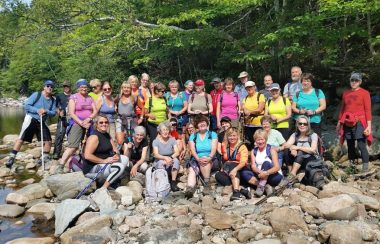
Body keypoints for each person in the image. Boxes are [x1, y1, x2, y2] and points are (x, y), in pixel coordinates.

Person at [6, 80, 57, 168]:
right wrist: (37, 110)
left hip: (42, 121)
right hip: (31, 118)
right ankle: (12, 157)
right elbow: (27, 106)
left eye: (51, 87)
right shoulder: (36, 95)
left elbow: (53, 113)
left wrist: (46, 111)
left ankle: (44, 158)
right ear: (44, 87)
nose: (50, 88)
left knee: (48, 140)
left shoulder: (53, 100)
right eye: (48, 86)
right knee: (22, 138)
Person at [56, 79, 97, 173]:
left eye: (86, 87)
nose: (84, 89)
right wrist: (82, 122)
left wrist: (89, 118)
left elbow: (95, 111)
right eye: (82, 87)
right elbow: (71, 113)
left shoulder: (90, 98)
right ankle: (61, 165)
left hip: (89, 123)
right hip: (76, 123)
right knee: (73, 146)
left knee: (88, 145)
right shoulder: (73, 97)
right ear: (78, 88)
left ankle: (85, 164)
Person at [337, 72, 372, 172]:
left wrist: (368, 126)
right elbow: (343, 109)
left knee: (361, 145)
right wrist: (339, 122)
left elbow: (368, 110)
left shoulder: (365, 93)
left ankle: (365, 168)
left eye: (356, 80)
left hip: (360, 121)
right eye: (352, 80)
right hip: (347, 121)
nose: (354, 82)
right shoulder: (346, 93)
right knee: (350, 145)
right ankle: (351, 167)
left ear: (360, 82)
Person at [84, 114, 128, 189]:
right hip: (93, 167)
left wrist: (116, 155)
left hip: (106, 163)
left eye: (106, 122)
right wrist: (104, 161)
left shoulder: (107, 135)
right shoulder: (94, 137)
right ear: (96, 124)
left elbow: (115, 150)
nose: (104, 124)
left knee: (125, 159)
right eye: (101, 123)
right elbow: (87, 155)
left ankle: (112, 180)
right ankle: (104, 188)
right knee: (119, 167)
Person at [241, 129, 283, 197]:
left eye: (262, 139)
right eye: (258, 140)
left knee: (266, 163)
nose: (260, 142)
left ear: (265, 140)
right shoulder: (253, 151)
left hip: (273, 175)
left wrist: (266, 173)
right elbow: (253, 166)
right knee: (244, 172)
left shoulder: (271, 150)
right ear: (255, 141)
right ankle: (264, 186)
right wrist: (261, 172)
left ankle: (260, 187)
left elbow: (277, 167)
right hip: (260, 174)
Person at [185, 115, 218, 198]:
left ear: (207, 123)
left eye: (203, 122)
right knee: (192, 169)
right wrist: (198, 159)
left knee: (205, 162)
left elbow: (214, 148)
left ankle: (207, 185)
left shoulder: (212, 134)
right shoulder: (193, 136)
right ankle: (190, 188)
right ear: (197, 125)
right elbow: (192, 150)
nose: (202, 124)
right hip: (197, 158)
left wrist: (209, 158)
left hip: (211, 158)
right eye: (199, 123)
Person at [215, 128, 250, 201]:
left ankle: (236, 192)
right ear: (227, 137)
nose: (232, 138)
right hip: (229, 169)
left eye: (234, 136)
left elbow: (243, 162)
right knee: (218, 175)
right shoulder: (225, 145)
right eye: (230, 136)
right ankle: (240, 188)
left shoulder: (242, 147)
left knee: (232, 165)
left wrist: (235, 170)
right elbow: (225, 158)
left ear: (237, 136)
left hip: (241, 169)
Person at [152, 122, 180, 192]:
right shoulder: (156, 141)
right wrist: (165, 158)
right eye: (163, 130)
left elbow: (177, 152)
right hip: (159, 160)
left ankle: (173, 182)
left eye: (167, 130)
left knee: (176, 161)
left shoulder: (172, 140)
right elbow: (156, 154)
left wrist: (170, 158)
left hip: (170, 158)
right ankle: (164, 183)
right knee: (161, 162)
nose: (165, 132)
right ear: (160, 132)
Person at [241, 81, 265, 149]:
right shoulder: (245, 98)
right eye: (247, 88)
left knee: (259, 141)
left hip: (258, 124)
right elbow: (243, 107)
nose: (249, 89)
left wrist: (249, 112)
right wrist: (245, 109)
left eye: (250, 87)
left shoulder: (260, 95)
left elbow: (260, 109)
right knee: (251, 143)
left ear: (254, 87)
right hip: (248, 124)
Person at [53, 80, 72, 159]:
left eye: (67, 86)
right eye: (64, 86)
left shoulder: (74, 96)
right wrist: (59, 112)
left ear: (70, 87)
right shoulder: (59, 96)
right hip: (62, 119)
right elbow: (55, 106)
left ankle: (73, 153)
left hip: (72, 119)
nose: (66, 88)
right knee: (59, 135)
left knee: (72, 136)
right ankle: (56, 153)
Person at [115, 81, 137, 147]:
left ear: (130, 89)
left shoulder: (134, 98)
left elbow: (142, 107)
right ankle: (121, 155)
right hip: (120, 120)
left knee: (130, 141)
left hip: (131, 121)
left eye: (128, 88)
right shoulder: (119, 97)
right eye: (124, 87)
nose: (126, 89)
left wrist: (141, 118)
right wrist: (115, 107)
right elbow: (112, 103)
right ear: (122, 88)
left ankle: (128, 155)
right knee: (120, 141)